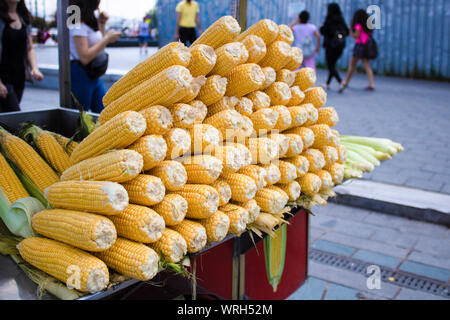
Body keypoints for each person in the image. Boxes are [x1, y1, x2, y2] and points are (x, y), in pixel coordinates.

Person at [69, 0, 121, 113]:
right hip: (80, 73)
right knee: (80, 116)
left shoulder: (89, 22)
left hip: (92, 74)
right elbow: (84, 57)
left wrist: (102, 24)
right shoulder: (76, 23)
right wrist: (107, 38)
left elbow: (100, 45)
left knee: (104, 112)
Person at [0, 0, 44, 113]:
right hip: (4, 79)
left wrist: (35, 69)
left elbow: (29, 48)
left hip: (19, 78)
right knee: (14, 117)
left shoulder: (23, 18)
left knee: (7, 120)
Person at [339, 9, 376, 93]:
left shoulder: (358, 26)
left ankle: (346, 82)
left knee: (352, 65)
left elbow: (356, 36)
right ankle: (371, 84)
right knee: (367, 65)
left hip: (359, 46)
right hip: (366, 46)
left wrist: (350, 31)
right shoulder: (368, 26)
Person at [320, 3, 348, 90]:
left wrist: (321, 28)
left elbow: (324, 31)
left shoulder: (329, 19)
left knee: (330, 65)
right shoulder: (341, 19)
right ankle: (327, 83)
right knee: (333, 65)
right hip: (340, 45)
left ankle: (341, 82)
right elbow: (346, 31)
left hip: (330, 45)